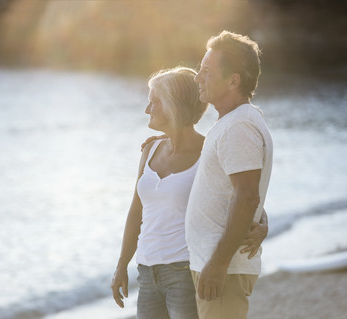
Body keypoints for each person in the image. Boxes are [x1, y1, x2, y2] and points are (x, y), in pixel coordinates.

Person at [110, 66, 268, 319]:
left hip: (185, 270)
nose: (147, 110)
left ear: (173, 106)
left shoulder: (209, 152)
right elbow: (136, 211)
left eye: (154, 103)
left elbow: (244, 196)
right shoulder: (150, 151)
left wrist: (263, 224)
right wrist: (122, 265)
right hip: (148, 270)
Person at [186, 31, 273, 319]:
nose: (199, 78)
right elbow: (240, 191)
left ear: (233, 80)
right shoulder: (234, 123)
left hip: (224, 267)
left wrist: (219, 264)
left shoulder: (240, 126)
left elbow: (248, 195)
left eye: (207, 72)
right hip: (215, 264)